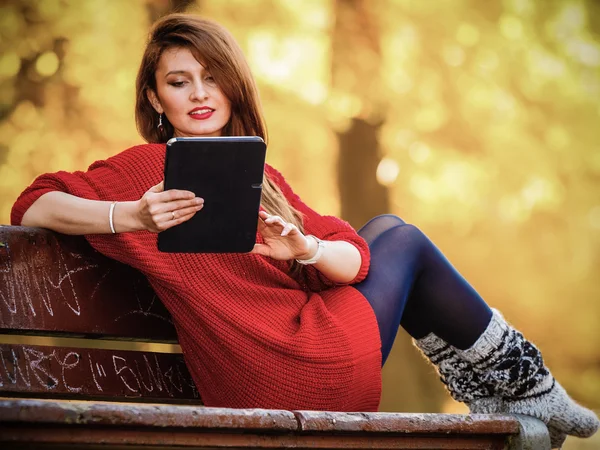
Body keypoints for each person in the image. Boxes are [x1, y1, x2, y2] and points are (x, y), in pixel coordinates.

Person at [10, 13, 597, 449]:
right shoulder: (140, 173)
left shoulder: (261, 177)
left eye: (212, 78)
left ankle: (506, 390)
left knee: (386, 235)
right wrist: (130, 215)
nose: (200, 95)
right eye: (179, 81)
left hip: (268, 376)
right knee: (406, 239)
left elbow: (357, 262)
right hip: (296, 370)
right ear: (154, 97)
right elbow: (34, 204)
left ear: (234, 85)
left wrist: (305, 248)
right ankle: (524, 384)